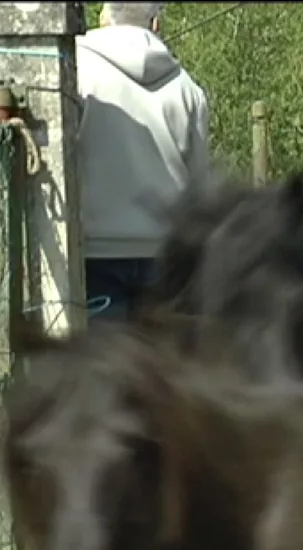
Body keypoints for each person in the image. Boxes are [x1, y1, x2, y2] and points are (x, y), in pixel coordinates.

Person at [76, 3, 211, 321]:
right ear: (156, 24)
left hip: (94, 252)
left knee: (106, 354)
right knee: (161, 353)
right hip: (166, 255)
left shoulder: (75, 72)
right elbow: (199, 184)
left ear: (104, 18)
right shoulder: (188, 88)